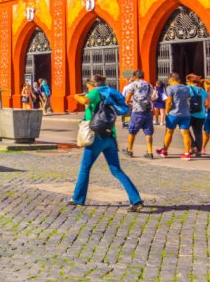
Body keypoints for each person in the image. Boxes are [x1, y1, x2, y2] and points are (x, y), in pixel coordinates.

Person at [69, 75, 143, 211]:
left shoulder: (95, 92)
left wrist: (75, 96)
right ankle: (136, 200)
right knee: (116, 170)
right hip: (110, 136)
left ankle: (78, 198)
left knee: (85, 168)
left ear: (92, 84)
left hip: (96, 137)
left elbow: (85, 100)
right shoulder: (108, 93)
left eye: (88, 86)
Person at [157, 72, 193, 159]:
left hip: (173, 113)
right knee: (185, 133)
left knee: (169, 132)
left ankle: (165, 150)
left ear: (171, 79)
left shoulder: (170, 88)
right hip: (185, 114)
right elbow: (189, 99)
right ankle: (187, 153)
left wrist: (167, 111)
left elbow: (169, 101)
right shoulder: (186, 88)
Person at [122, 69, 155, 159]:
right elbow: (152, 96)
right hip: (148, 110)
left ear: (134, 77)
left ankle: (130, 150)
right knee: (148, 132)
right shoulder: (149, 85)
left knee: (132, 131)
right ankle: (149, 152)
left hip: (137, 111)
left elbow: (128, 98)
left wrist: (129, 103)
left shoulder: (133, 85)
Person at [185, 74, 206, 158]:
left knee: (185, 129)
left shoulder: (188, 88)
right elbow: (207, 104)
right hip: (201, 114)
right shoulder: (203, 91)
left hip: (190, 113)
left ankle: (193, 146)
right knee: (198, 132)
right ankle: (199, 150)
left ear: (190, 81)